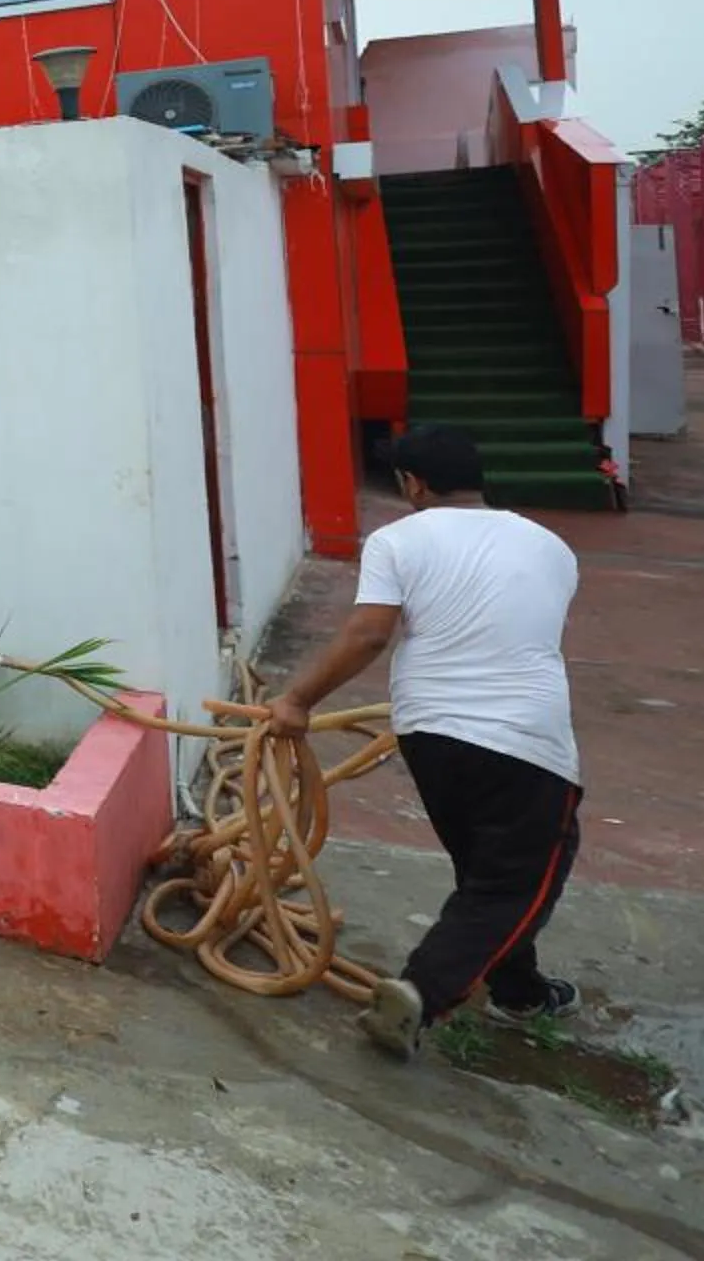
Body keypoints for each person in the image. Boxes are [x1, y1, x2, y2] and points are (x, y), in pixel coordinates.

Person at [269, 423, 583, 1061]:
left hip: (430, 738)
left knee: (487, 878)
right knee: (514, 881)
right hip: (525, 744)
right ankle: (421, 991)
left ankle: (518, 991)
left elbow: (367, 634)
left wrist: (295, 699)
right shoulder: (552, 547)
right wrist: (299, 702)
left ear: (413, 484)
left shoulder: (395, 539)